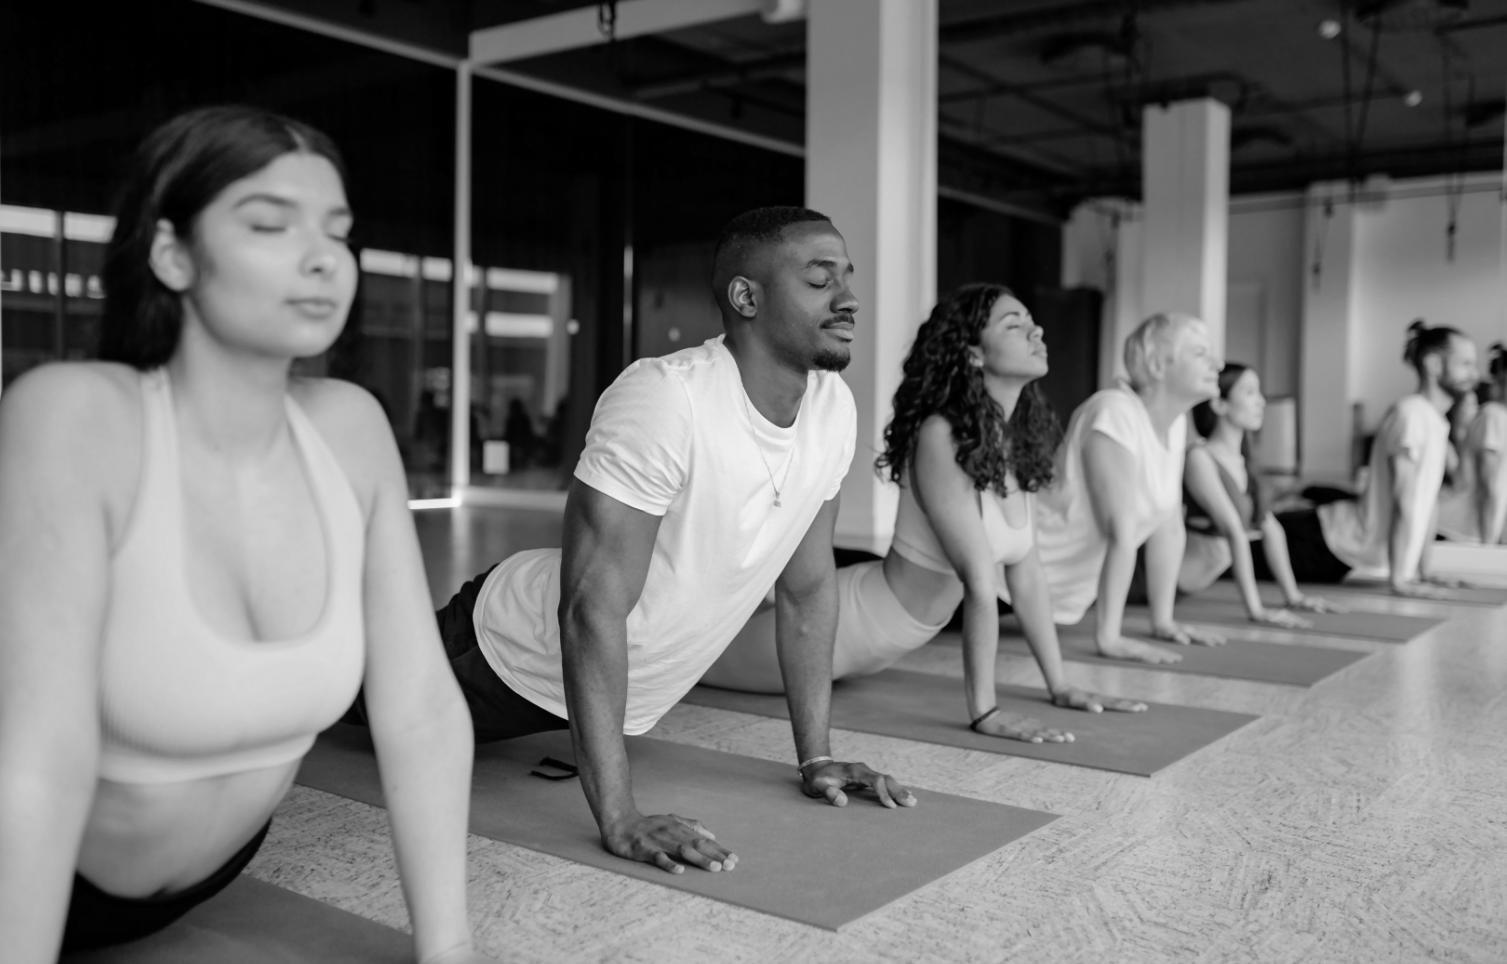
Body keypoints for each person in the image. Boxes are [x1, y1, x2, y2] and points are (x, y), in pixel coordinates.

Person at [0, 106, 493, 963]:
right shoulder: (78, 415)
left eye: (337, 231)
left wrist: (447, 951)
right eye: (270, 224)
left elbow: (418, 708)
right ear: (173, 254)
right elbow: (37, 758)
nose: (322, 257)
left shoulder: (348, 427)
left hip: (177, 892)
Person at [397, 207, 915, 878]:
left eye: (847, 277)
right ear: (746, 296)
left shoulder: (831, 408)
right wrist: (619, 817)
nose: (848, 298)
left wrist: (816, 758)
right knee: (330, 699)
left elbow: (808, 590)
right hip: (501, 650)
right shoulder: (667, 398)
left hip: (594, 694)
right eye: (820, 280)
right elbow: (590, 610)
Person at [700, 283, 1147, 742]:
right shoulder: (941, 435)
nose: (1037, 332)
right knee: (690, 661)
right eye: (1014, 325)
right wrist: (985, 712)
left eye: (1032, 323)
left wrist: (1061, 686)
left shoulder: (1011, 442)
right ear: (973, 353)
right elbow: (979, 581)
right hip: (847, 626)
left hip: (877, 645)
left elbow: (1026, 573)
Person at [1005, 312, 1226, 665]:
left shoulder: (1175, 426)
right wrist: (1110, 637)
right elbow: (1120, 531)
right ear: (1157, 365)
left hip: (1052, 595)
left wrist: (1163, 621)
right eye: (1200, 353)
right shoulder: (1114, 412)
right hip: (1005, 579)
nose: (1217, 364)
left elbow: (1168, 528)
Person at [1268, 321, 1479, 593]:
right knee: (1227, 550)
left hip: (1349, 549)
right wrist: (1398, 580)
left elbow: (1428, 505)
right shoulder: (1411, 415)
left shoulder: (1435, 421)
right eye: (1466, 364)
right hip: (1331, 542)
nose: (1475, 374)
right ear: (1434, 364)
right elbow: (1403, 499)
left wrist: (1424, 572)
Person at [1177, 362, 1340, 621]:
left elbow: (1271, 528)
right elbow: (1233, 531)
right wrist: (1256, 611)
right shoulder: (1199, 458)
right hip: (1153, 583)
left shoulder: (1244, 462)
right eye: (1249, 392)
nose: (1261, 402)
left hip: (1186, 590)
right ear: (1219, 404)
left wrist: (1294, 597)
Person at [1437, 343, 1507, 544]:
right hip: (1463, 532)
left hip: (1474, 533)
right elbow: (1488, 484)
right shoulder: (1493, 416)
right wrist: (1488, 545)